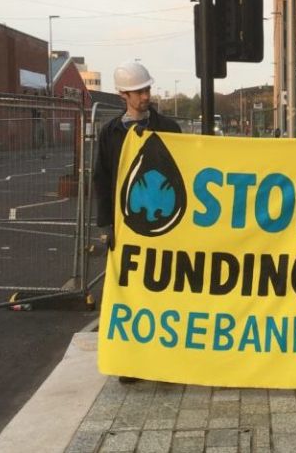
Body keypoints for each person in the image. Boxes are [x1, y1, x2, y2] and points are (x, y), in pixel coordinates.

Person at [93, 60, 181, 383]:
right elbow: (102, 180)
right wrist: (107, 227)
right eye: (137, 92)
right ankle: (133, 364)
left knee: (164, 295)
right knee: (132, 298)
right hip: (126, 226)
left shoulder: (169, 128)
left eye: (146, 89)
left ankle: (165, 365)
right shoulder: (111, 133)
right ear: (123, 95)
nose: (144, 96)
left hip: (166, 224)